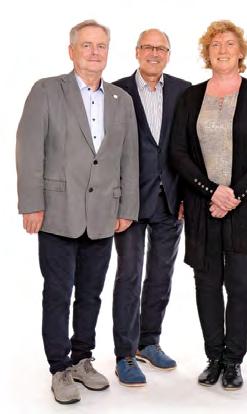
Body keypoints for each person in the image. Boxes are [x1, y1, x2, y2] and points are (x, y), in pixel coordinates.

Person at [16, 20, 138, 404]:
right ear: (72, 51)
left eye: (101, 45)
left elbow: (129, 158)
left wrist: (127, 206)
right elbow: (29, 148)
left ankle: (83, 358)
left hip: (103, 214)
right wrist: (32, 203)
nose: (94, 52)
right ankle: (59, 368)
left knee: (91, 293)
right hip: (57, 212)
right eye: (87, 45)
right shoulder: (47, 90)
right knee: (57, 292)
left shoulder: (121, 99)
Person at [169, 20, 247, 390]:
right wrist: (211, 191)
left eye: (230, 43)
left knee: (241, 285)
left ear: (241, 51)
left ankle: (233, 361)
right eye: (215, 44)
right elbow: (178, 152)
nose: (222, 49)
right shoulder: (191, 97)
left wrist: (233, 194)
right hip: (202, 206)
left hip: (244, 206)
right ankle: (214, 357)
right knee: (207, 283)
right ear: (207, 52)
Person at [112, 28, 191, 387]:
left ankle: (149, 341)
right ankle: (125, 354)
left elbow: (190, 147)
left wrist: (186, 196)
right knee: (129, 275)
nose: (154, 53)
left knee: (161, 275)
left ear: (168, 54)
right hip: (128, 202)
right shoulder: (116, 91)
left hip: (170, 201)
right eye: (148, 47)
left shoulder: (183, 91)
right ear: (136, 51)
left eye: (161, 48)